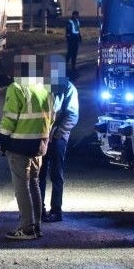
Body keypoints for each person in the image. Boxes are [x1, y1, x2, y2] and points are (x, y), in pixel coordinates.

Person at [0, 54, 53, 240]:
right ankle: (36, 226)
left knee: (21, 187)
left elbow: (9, 118)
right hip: (40, 144)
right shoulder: (45, 89)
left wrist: (1, 142)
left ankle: (27, 228)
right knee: (34, 183)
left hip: (19, 144)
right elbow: (52, 117)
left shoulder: (17, 88)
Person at [39, 54, 79, 222]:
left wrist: (57, 133)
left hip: (58, 137)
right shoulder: (42, 86)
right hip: (42, 136)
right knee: (39, 173)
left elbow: (72, 115)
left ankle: (56, 210)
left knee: (56, 173)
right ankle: (38, 209)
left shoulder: (68, 88)